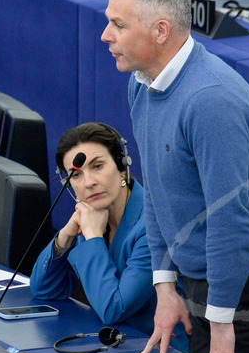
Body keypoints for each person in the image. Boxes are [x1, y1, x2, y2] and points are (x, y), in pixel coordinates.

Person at [101, 0, 249, 353]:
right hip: (205, 282)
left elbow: (233, 224)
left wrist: (222, 319)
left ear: (161, 30)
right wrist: (165, 285)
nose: (106, 35)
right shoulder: (143, 83)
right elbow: (157, 188)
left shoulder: (210, 101)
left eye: (118, 25)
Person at [29, 122, 165, 338]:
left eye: (97, 166)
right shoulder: (92, 219)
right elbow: (45, 289)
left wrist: (92, 238)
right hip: (112, 347)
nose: (89, 182)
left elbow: (114, 308)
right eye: (76, 175)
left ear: (122, 166)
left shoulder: (153, 226)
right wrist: (65, 237)